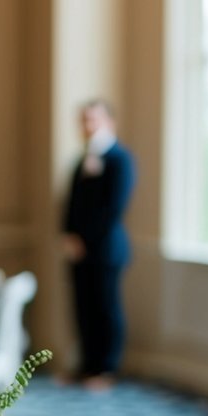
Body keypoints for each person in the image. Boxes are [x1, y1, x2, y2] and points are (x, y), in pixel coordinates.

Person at [62, 98, 136, 389]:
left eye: (94, 120)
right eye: (84, 120)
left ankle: (106, 370)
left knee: (106, 309)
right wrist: (69, 234)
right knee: (83, 308)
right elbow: (71, 203)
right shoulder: (82, 159)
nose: (88, 126)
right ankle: (86, 366)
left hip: (106, 250)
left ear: (109, 123)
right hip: (78, 249)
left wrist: (87, 240)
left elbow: (113, 208)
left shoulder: (120, 159)